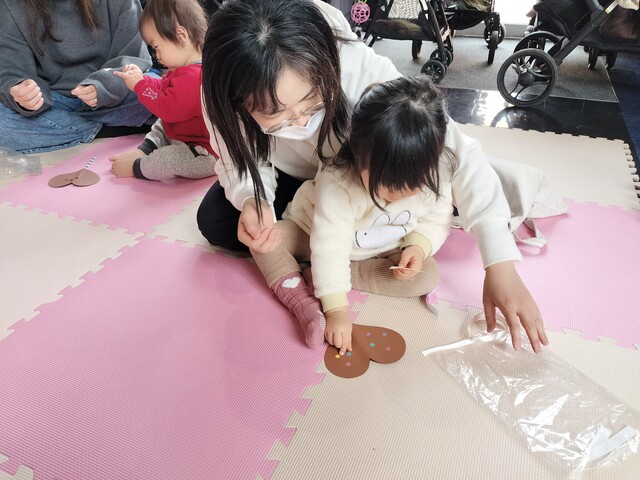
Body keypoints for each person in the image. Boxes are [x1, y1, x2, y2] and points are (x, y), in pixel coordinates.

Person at [198, 0, 549, 353]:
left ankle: (339, 255)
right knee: (219, 220)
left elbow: (453, 150)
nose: (301, 121)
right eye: (277, 114)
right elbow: (237, 157)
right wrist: (253, 197)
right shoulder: (223, 89)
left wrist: (500, 264)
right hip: (312, 181)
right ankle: (318, 267)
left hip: (367, 172)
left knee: (431, 185)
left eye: (311, 101)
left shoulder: (356, 67)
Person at [251, 76, 455, 353]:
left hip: (383, 249)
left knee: (426, 276)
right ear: (357, 154)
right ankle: (301, 300)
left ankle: (319, 277)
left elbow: (437, 218)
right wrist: (336, 310)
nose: (395, 195)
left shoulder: (439, 173)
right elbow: (329, 246)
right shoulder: (338, 180)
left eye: (412, 186)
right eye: (386, 185)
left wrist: (418, 248)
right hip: (313, 236)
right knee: (261, 238)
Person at [0, 0, 156, 154]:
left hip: (114, 95)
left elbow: (133, 57)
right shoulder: (10, 5)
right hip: (54, 101)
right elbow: (11, 68)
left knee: (157, 91)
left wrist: (105, 85)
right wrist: (20, 90)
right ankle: (105, 128)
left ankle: (65, 129)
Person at [109, 0, 218, 181]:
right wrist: (143, 79)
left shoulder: (197, 76)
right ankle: (147, 149)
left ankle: (139, 166)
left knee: (168, 157)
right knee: (161, 125)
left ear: (181, 35)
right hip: (184, 137)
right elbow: (164, 87)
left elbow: (167, 108)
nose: (157, 56)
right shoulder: (184, 68)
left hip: (203, 153)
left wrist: (139, 86)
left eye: (157, 47)